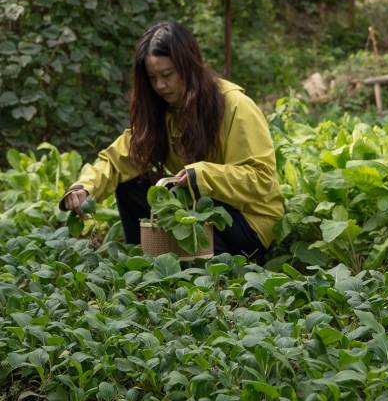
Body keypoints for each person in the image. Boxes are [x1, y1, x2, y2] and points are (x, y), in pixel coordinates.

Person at [60, 21, 282, 258]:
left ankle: (202, 258)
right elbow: (117, 160)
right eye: (153, 78)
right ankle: (148, 258)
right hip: (199, 208)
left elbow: (261, 179)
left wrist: (202, 176)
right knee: (130, 188)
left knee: (199, 216)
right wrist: (84, 188)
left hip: (249, 222)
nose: (160, 86)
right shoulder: (166, 110)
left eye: (167, 75)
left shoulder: (236, 106)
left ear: (189, 67)